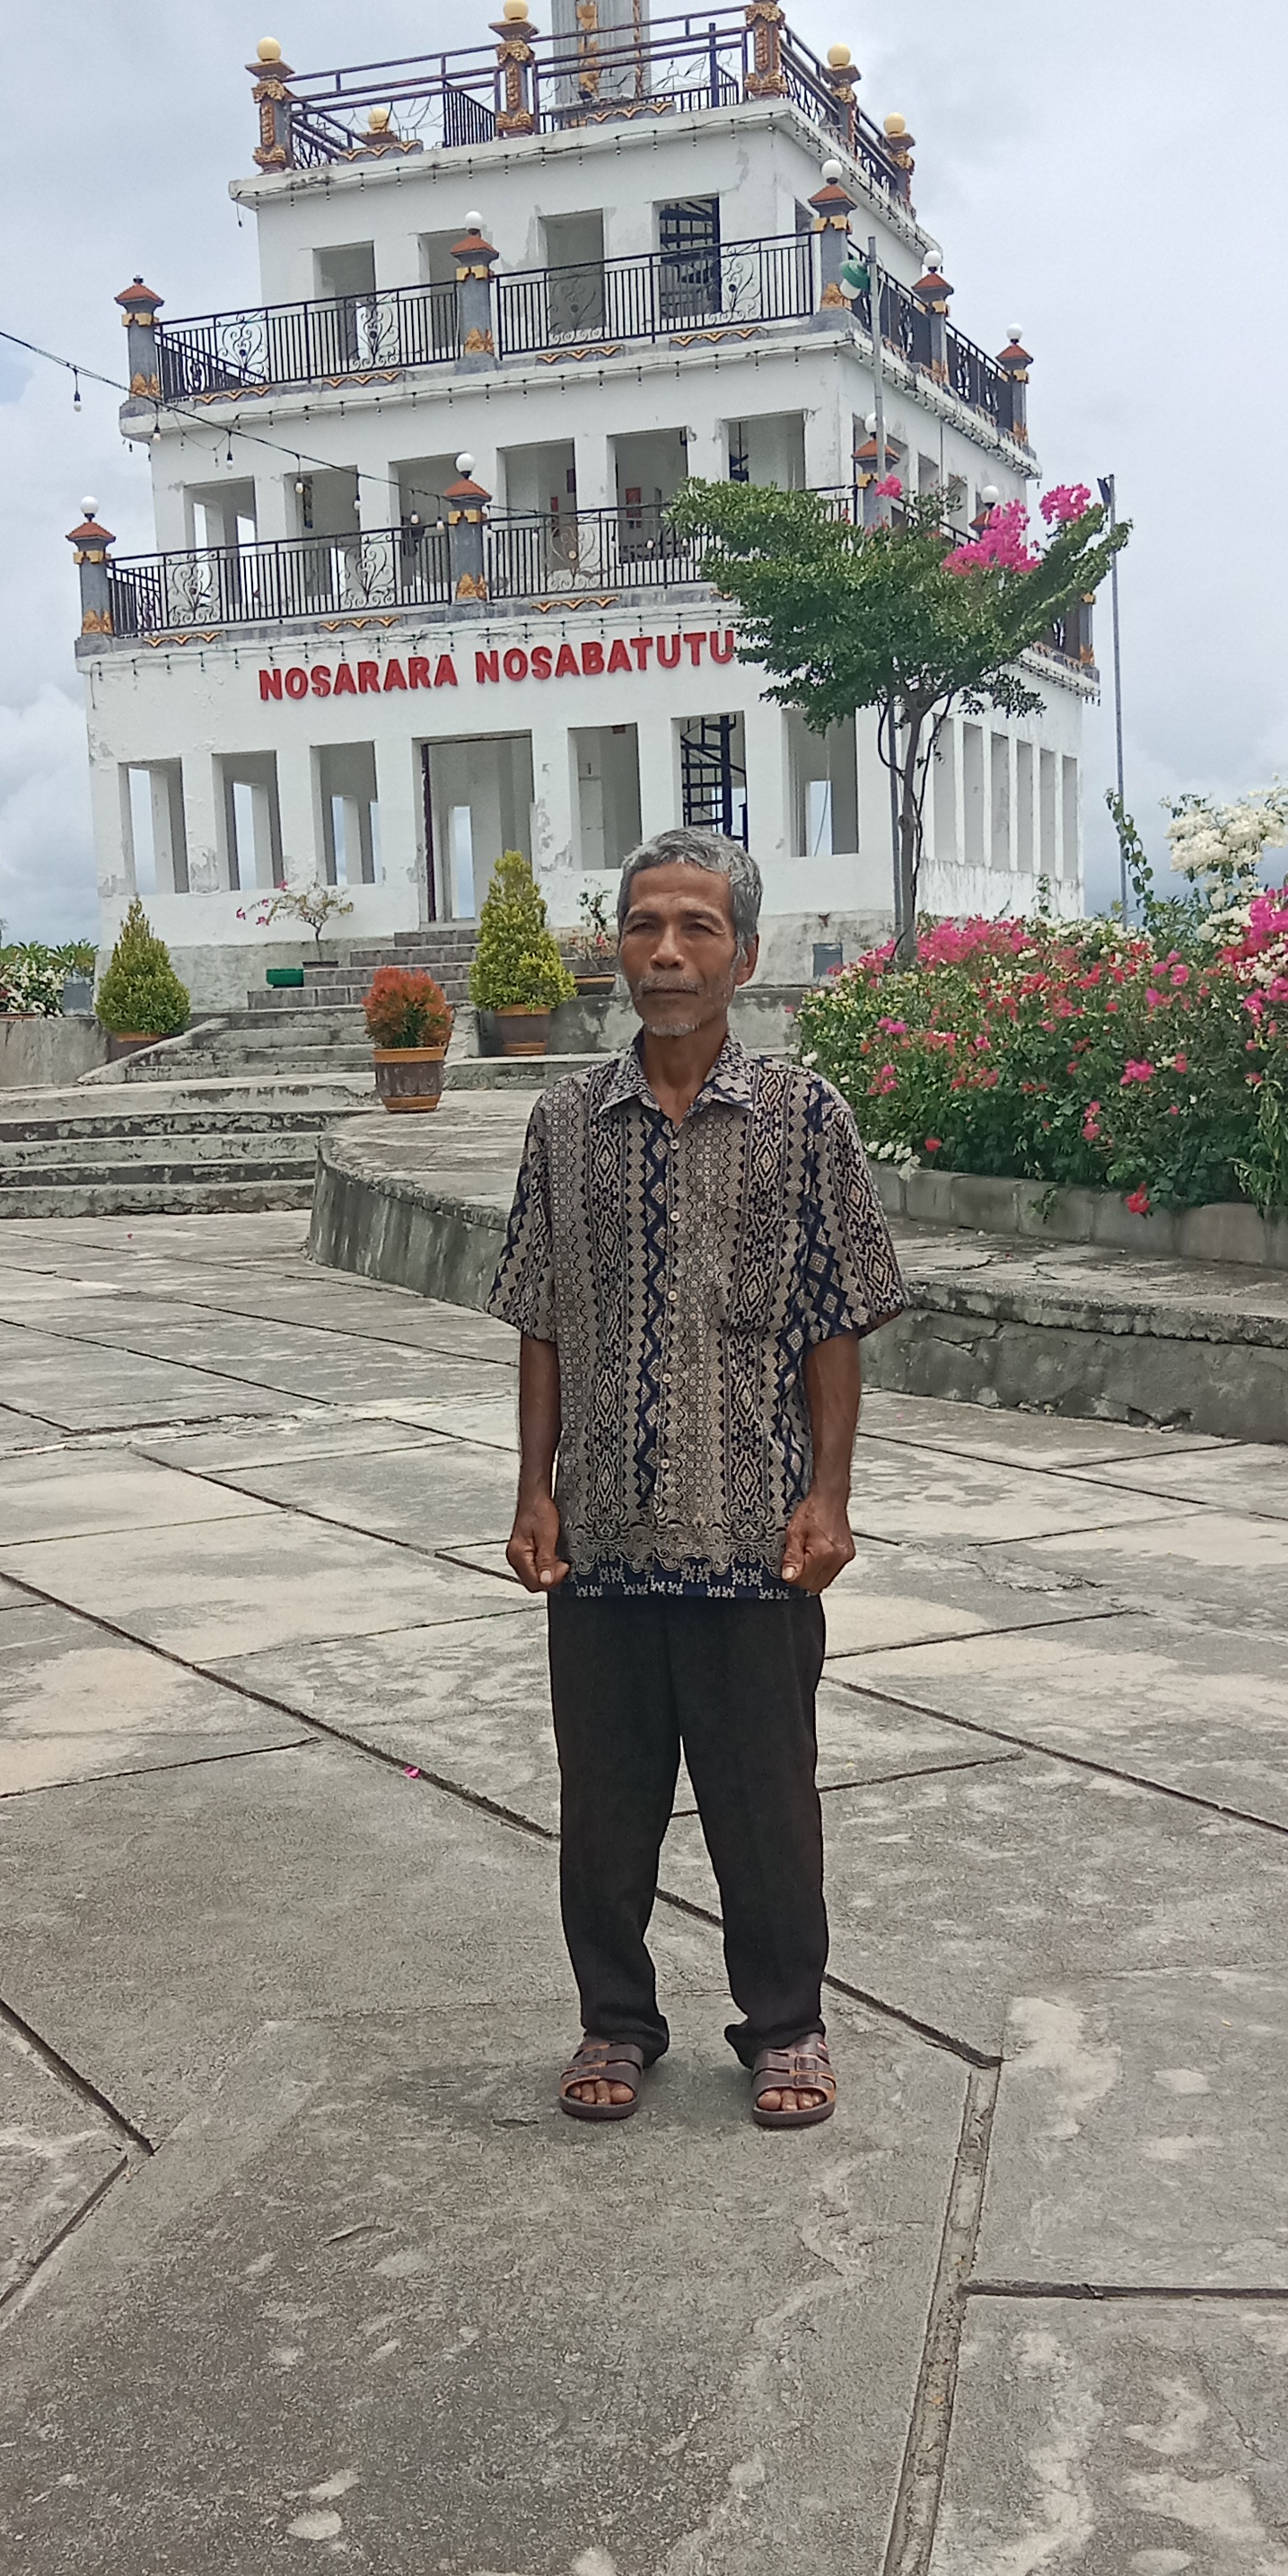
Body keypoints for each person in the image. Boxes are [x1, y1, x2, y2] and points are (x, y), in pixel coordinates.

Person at [490, 831, 906, 2132]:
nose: (666, 952)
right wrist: (534, 1489)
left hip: (752, 1536)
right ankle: (616, 2020)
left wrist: (830, 1496)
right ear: (617, 946)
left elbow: (835, 1317)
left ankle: (784, 2028)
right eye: (644, 925)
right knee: (604, 1812)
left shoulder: (803, 1116)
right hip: (604, 1536)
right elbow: (542, 1317)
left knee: (765, 1809)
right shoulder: (565, 1122)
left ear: (746, 954)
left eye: (696, 928)